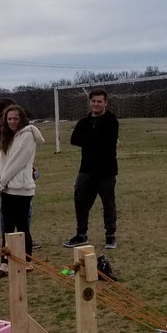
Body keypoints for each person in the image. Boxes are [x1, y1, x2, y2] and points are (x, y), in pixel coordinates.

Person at [0, 105, 44, 279]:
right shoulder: (6, 136)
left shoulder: (28, 135)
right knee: (6, 226)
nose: (12, 122)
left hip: (22, 189)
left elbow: (18, 162)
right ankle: (4, 263)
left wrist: (4, 180)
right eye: (9, 119)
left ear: (22, 118)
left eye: (15, 118)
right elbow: (3, 160)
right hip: (6, 188)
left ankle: (27, 260)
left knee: (21, 225)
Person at [63, 87, 119, 250]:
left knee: (108, 203)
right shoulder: (83, 122)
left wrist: (89, 139)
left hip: (106, 171)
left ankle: (110, 236)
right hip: (86, 170)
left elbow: (107, 141)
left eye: (99, 101)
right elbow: (74, 140)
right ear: (89, 103)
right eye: (93, 101)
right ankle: (81, 235)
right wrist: (93, 139)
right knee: (80, 201)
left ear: (105, 103)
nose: (96, 104)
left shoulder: (111, 122)